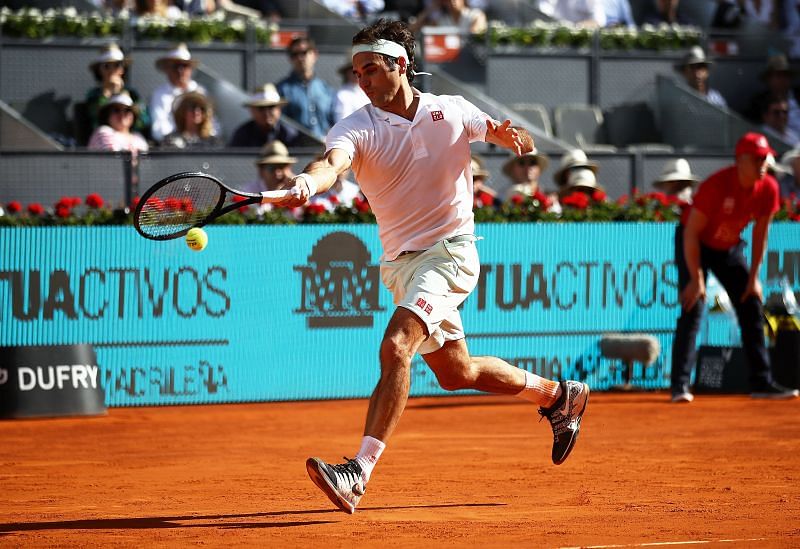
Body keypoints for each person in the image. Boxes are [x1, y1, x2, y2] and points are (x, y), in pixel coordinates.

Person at [268, 18, 590, 514]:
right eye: (356, 72)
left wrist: (510, 135)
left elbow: (499, 132)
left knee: (398, 344)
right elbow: (331, 162)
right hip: (401, 264)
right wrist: (309, 183)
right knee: (457, 372)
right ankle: (557, 396)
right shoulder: (356, 126)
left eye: (371, 69)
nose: (363, 80)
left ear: (401, 65)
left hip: (451, 253)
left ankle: (358, 472)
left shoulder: (452, 110)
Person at [669, 132, 800, 403]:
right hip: (695, 242)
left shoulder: (769, 188)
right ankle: (680, 386)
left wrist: (754, 278)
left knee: (751, 304)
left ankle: (761, 383)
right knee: (694, 305)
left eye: (767, 159)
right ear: (741, 160)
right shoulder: (716, 186)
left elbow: (760, 234)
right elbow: (691, 232)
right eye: (759, 159)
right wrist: (696, 278)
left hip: (728, 248)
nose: (765, 164)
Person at [84, 43, 150, 140]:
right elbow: (95, 121)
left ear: (122, 69)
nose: (112, 70)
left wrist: (122, 96)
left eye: (117, 65)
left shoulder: (133, 94)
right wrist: (106, 94)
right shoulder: (93, 95)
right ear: (99, 70)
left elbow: (144, 122)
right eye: (107, 66)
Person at [277, 37, 337, 140]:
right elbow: (280, 124)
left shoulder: (326, 89)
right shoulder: (282, 89)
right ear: (290, 59)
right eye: (294, 54)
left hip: (324, 148)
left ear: (315, 55)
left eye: (304, 52)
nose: (300, 58)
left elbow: (334, 120)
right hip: (296, 150)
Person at [150, 43, 209, 143]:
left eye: (184, 65)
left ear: (190, 69)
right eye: (176, 66)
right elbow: (159, 129)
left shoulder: (201, 91)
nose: (180, 70)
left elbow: (212, 123)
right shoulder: (160, 95)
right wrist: (176, 141)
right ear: (167, 69)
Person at [228, 83, 301, 148]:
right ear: (252, 111)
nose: (266, 113)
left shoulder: (290, 135)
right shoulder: (242, 134)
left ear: (279, 109)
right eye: (261, 108)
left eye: (271, 107)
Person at [747, 54, 800, 138]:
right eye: (778, 76)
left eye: (785, 75)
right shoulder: (758, 103)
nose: (782, 80)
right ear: (769, 79)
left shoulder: (798, 96)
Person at [409, 0, 488, 34]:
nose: (452, 1)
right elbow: (412, 28)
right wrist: (431, 8)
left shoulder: (477, 16)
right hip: (447, 63)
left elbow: (473, 38)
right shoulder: (441, 20)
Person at [536, 0, 606, 27]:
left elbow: (598, 22)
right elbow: (542, 15)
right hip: (556, 43)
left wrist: (575, 27)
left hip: (583, 47)